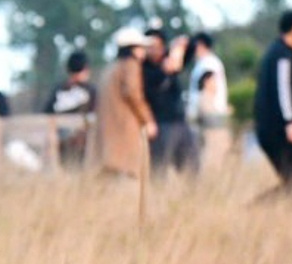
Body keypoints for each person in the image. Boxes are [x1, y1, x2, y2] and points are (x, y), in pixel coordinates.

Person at [254, 10, 292, 195]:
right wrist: (291, 121)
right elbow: (284, 89)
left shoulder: (285, 54)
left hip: (280, 129)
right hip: (279, 131)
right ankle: (251, 212)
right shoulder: (282, 55)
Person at [96, 29, 154, 179]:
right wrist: (147, 120)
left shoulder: (110, 69)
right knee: (128, 177)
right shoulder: (130, 65)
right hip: (126, 131)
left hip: (109, 136)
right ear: (133, 49)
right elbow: (133, 93)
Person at [142, 29, 196, 175]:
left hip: (180, 121)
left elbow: (189, 54)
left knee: (190, 167)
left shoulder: (168, 59)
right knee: (159, 169)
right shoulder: (143, 68)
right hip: (160, 123)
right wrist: (163, 71)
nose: (153, 51)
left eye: (157, 46)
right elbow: (150, 89)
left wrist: (183, 45)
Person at [187, 33, 230, 170]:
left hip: (210, 117)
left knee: (211, 160)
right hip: (210, 116)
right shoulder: (207, 63)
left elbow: (205, 92)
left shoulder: (208, 64)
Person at [45, 50, 96, 168]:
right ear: (86, 69)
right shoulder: (91, 91)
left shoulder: (59, 90)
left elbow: (47, 113)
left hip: (62, 145)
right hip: (81, 145)